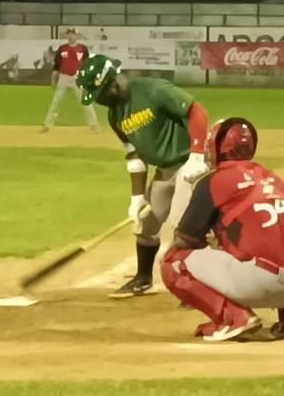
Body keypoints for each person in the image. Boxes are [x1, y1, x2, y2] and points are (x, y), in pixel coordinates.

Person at [161, 118, 284, 342]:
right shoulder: (274, 178)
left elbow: (185, 240)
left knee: (172, 261)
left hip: (259, 283)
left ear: (216, 147)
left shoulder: (214, 180)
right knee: (280, 247)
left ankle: (233, 317)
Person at [76, 54, 210, 298]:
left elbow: (197, 112)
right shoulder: (115, 115)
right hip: (164, 170)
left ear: (112, 83)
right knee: (146, 225)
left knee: (184, 226)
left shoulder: (153, 90)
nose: (100, 102)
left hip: (189, 165)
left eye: (100, 95)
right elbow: (134, 154)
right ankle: (143, 279)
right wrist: (137, 198)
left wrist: (198, 155)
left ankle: (200, 286)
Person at [42, 28, 99, 133]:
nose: (70, 36)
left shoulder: (82, 48)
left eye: (73, 34)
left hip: (77, 78)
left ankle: (94, 125)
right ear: (66, 36)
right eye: (69, 34)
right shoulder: (62, 48)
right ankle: (47, 125)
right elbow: (57, 66)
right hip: (64, 78)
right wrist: (53, 80)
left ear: (76, 36)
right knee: (56, 102)